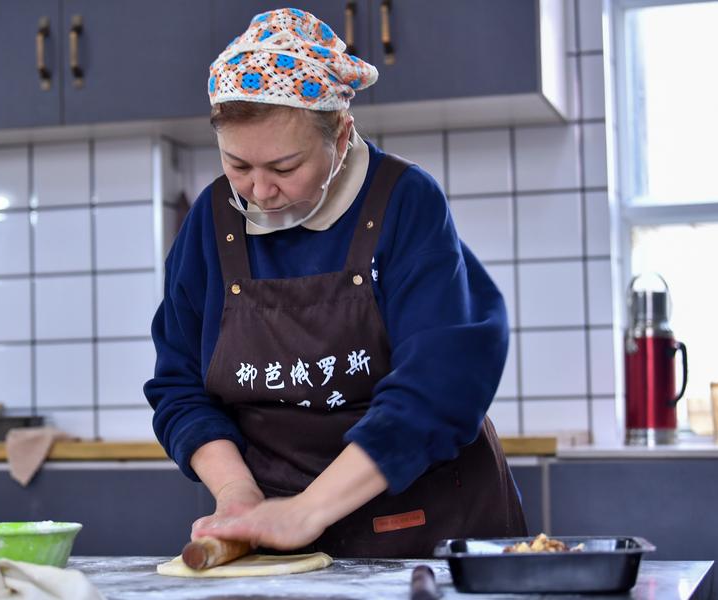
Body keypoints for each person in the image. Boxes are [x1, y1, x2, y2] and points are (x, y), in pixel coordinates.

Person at [144, 8, 526, 558]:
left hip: (429, 533)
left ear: (342, 132)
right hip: (278, 538)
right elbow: (179, 385)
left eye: (284, 166)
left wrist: (309, 509)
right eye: (237, 164)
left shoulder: (405, 202)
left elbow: (441, 385)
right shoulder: (211, 221)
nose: (259, 190)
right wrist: (237, 496)